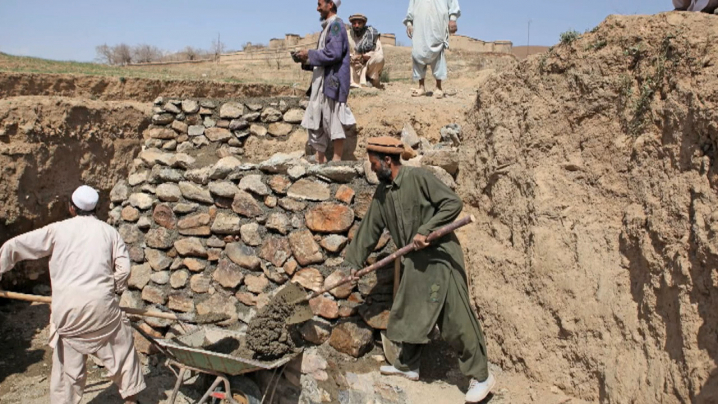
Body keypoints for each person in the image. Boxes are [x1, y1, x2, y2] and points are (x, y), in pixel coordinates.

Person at [344, 137, 495, 403]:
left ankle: (480, 376)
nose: (371, 168)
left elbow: (452, 203)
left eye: (373, 163)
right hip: (414, 263)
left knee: (455, 320)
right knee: (409, 313)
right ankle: (408, 366)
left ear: (387, 161)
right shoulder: (383, 193)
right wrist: (354, 265)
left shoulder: (419, 178)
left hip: (440, 259)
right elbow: (369, 229)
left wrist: (426, 230)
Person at [0, 186, 145, 404]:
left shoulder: (57, 230)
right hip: (101, 310)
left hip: (67, 313)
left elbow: (16, 245)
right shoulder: (109, 232)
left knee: (67, 369)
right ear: (97, 208)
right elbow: (124, 269)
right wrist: (113, 288)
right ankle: (131, 399)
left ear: (71, 208)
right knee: (123, 349)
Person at [294, 0, 356, 163]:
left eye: (320, 4)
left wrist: (309, 53)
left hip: (332, 82)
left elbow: (333, 54)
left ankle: (336, 159)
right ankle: (319, 157)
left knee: (333, 118)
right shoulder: (328, 28)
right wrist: (305, 59)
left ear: (330, 5)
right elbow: (323, 57)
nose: (317, 8)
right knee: (318, 117)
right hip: (320, 82)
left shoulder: (336, 26)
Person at [404, 0, 460, 99]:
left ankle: (438, 87)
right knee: (418, 52)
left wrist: (452, 19)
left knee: (438, 52)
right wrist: (409, 23)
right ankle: (421, 87)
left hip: (438, 21)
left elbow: (452, 3)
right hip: (419, 22)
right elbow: (412, 5)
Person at [347, 14, 386, 89]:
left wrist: (362, 56)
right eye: (354, 23)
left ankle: (370, 81)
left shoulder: (371, 34)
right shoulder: (347, 34)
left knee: (379, 58)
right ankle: (352, 82)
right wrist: (352, 57)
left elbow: (378, 51)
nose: (356, 25)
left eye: (359, 23)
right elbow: (342, 50)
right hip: (352, 65)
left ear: (364, 24)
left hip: (367, 66)